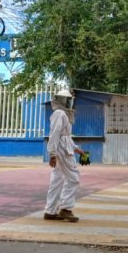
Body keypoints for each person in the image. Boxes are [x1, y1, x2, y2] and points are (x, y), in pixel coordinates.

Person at [44, 89, 84, 223]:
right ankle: (66, 209)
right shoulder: (59, 113)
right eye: (67, 100)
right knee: (73, 177)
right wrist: (52, 154)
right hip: (62, 150)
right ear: (62, 100)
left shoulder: (62, 114)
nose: (69, 103)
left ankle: (50, 211)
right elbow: (55, 134)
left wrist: (76, 148)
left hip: (63, 148)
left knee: (57, 180)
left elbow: (65, 136)